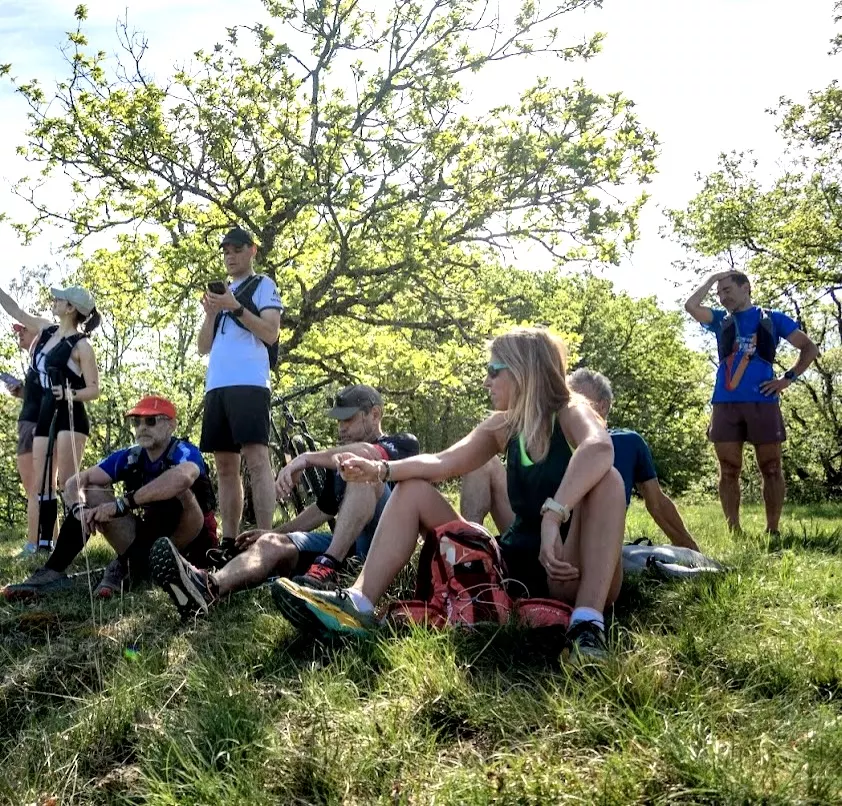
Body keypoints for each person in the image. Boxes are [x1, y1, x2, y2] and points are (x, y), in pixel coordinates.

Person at [272, 328, 627, 664]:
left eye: (493, 370)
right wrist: (381, 471)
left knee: (608, 480)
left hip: (568, 569)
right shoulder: (504, 424)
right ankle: (358, 604)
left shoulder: (570, 411)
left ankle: (587, 626)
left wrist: (554, 514)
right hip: (513, 569)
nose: (486, 380)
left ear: (522, 371)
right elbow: (442, 462)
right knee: (412, 490)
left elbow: (598, 448)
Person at [147, 384, 420, 618]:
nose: (341, 428)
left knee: (364, 473)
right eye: (338, 421)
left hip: (387, 548)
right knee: (270, 543)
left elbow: (368, 456)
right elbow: (322, 511)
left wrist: (305, 458)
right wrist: (273, 532)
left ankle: (323, 569)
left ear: (375, 414)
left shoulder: (404, 444)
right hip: (347, 550)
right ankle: (208, 586)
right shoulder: (339, 459)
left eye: (347, 419)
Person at [2, 396, 217, 601]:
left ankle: (128, 565)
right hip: (146, 539)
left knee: (177, 492)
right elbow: (75, 481)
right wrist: (79, 508)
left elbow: (182, 477)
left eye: (151, 421)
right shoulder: (131, 456)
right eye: (136, 421)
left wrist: (122, 504)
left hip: (191, 541)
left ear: (172, 425)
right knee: (92, 488)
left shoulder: (185, 451)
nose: (142, 427)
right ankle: (54, 569)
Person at [461, 368, 700, 552]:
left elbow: (657, 504)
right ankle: (469, 557)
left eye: (575, 397)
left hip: (580, 543)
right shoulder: (540, 433)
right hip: (530, 528)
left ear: (602, 406)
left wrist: (693, 553)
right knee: (483, 463)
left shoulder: (627, 443)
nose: (565, 402)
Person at [685, 271, 818, 533]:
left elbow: (809, 348)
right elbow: (691, 306)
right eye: (719, 293)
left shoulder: (773, 318)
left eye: (727, 290)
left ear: (745, 287)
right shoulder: (719, 320)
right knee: (729, 469)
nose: (722, 297)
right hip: (725, 403)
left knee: (771, 468)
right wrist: (712, 279)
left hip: (763, 402)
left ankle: (773, 530)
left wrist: (787, 378)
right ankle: (733, 530)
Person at [0, 284, 101, 553]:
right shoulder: (46, 329)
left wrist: (69, 393)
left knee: (68, 482)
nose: (53, 301)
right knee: (42, 484)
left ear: (71, 308)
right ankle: (42, 545)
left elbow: (94, 390)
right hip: (45, 414)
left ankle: (75, 541)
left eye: (60, 299)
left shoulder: (82, 346)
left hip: (71, 416)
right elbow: (16, 310)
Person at [197, 226, 282, 540]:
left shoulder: (263, 285)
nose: (230, 256)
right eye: (226, 251)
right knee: (224, 466)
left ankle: (264, 538)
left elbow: (271, 333)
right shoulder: (222, 294)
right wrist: (211, 313)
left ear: (252, 250)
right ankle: (229, 540)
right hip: (217, 385)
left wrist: (236, 307)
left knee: (257, 459)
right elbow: (203, 347)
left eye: (237, 249)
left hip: (250, 383)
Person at [5, 323, 46, 552]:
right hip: (33, 426)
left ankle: (33, 545)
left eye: (23, 329)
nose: (18, 333)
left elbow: (50, 397)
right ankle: (48, 543)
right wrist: (22, 392)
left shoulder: (43, 361)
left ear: (37, 334)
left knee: (34, 489)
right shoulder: (37, 363)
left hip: (32, 428)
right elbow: (40, 396)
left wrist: (38, 427)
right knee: (42, 490)